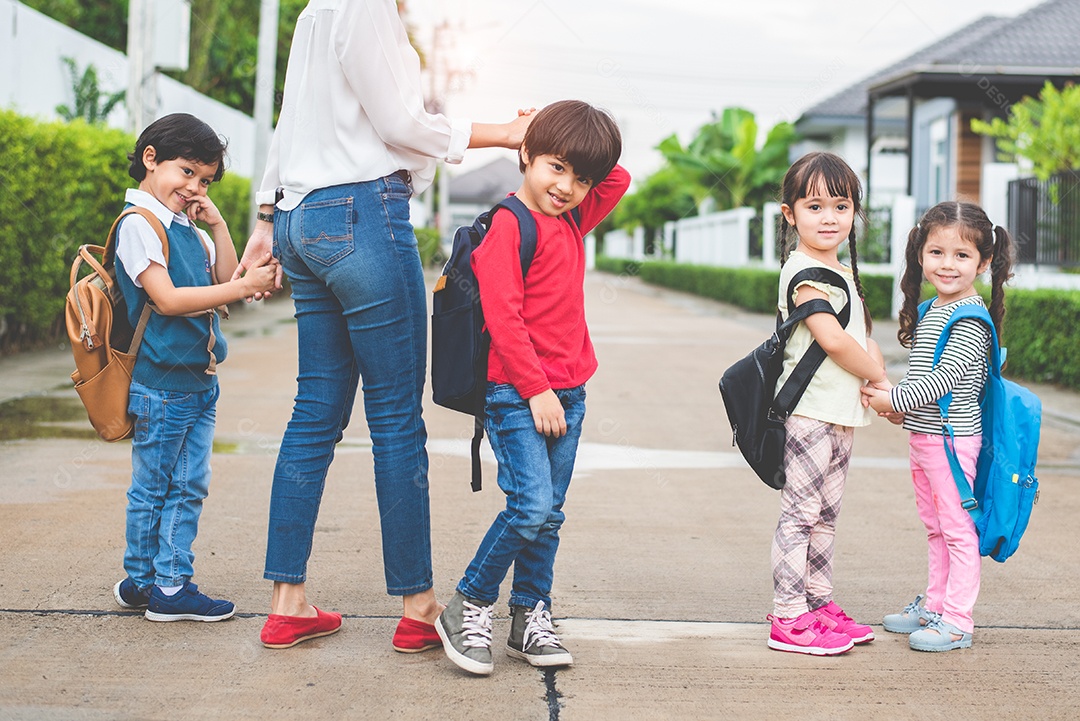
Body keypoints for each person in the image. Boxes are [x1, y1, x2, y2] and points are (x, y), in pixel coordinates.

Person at [234, 0, 536, 651]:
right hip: (362, 214)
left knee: (314, 411)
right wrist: (505, 132)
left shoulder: (317, 10)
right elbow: (399, 122)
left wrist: (266, 216)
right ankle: (418, 605)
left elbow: (289, 122)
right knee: (396, 416)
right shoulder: (366, 5)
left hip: (301, 217)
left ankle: (287, 603)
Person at [435, 99, 629, 676]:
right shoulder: (508, 225)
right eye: (555, 167)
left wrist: (560, 122)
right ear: (526, 156)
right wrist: (537, 389)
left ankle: (530, 616)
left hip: (571, 393)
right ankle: (469, 602)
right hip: (518, 393)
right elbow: (504, 318)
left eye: (580, 177)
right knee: (530, 506)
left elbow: (618, 175)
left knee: (550, 514)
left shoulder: (572, 215)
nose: (567, 186)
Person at [111, 113, 278, 621]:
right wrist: (243, 288)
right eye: (185, 172)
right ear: (150, 159)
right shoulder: (140, 225)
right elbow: (166, 299)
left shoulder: (186, 228)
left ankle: (142, 581)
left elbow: (226, 275)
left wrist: (220, 225)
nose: (193, 187)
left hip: (194, 382)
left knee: (162, 485)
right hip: (163, 385)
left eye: (204, 180)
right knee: (177, 487)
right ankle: (170, 585)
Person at [861, 201, 1014, 652]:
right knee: (936, 528)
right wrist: (901, 410)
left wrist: (893, 400)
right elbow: (922, 375)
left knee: (958, 531)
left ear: (984, 262)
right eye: (937, 253)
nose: (948, 264)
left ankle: (958, 622)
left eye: (962, 256)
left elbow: (941, 381)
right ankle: (935, 605)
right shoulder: (935, 308)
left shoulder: (969, 320)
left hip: (952, 445)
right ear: (921, 255)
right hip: (926, 440)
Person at [766, 151, 890, 656]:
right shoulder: (803, 271)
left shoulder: (837, 269)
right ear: (789, 213)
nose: (829, 217)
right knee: (801, 514)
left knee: (824, 515)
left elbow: (862, 335)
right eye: (814, 206)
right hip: (812, 413)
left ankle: (817, 606)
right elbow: (835, 342)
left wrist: (882, 387)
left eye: (841, 206)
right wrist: (882, 379)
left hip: (841, 413)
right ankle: (788, 615)